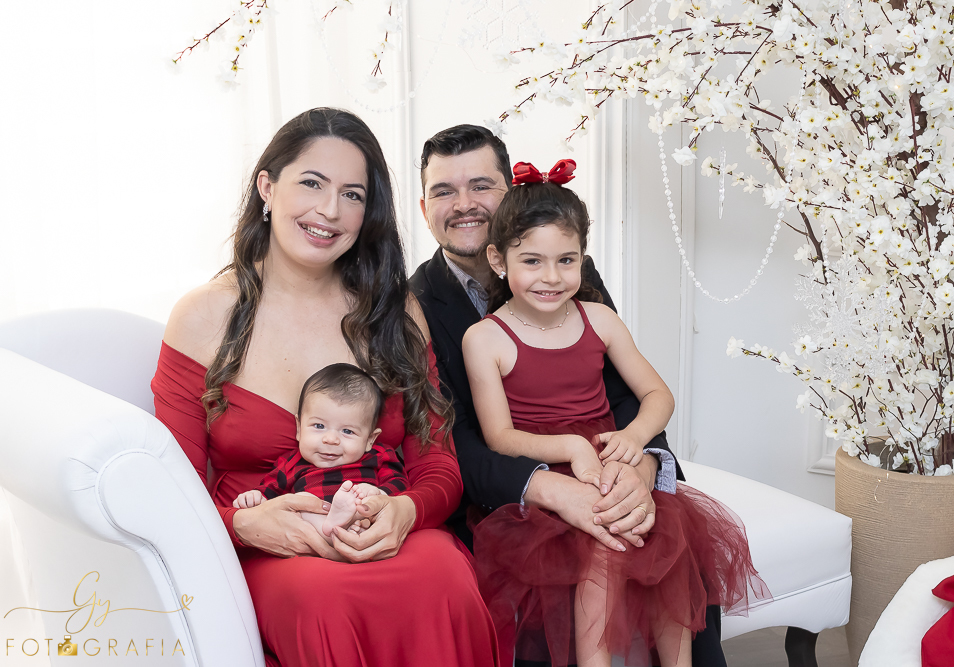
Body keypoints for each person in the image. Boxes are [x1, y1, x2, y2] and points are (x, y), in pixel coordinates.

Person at [151, 108, 500, 667]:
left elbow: (437, 464)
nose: (330, 211)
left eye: (354, 194)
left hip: (389, 532)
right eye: (312, 183)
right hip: (271, 549)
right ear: (267, 186)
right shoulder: (202, 316)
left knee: (446, 580)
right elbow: (170, 493)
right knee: (324, 602)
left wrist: (408, 511)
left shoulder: (393, 310)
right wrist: (244, 523)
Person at [408, 125, 730, 666]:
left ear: (509, 189)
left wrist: (642, 467)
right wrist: (552, 490)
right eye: (444, 191)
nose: (463, 204)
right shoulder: (416, 302)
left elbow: (622, 387)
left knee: (676, 555)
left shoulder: (568, 272)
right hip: (508, 494)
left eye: (481, 185)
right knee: (554, 589)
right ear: (424, 207)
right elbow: (451, 439)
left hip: (607, 460)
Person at [463, 161, 768, 667]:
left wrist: (634, 439)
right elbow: (499, 437)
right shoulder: (486, 338)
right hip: (549, 470)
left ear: (584, 256)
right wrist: (571, 447)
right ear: (499, 259)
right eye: (533, 261)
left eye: (567, 260)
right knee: (602, 547)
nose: (552, 277)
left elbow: (658, 395)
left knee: (663, 537)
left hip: (613, 462)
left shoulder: (598, 318)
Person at [233, 363, 409, 540]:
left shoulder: (378, 456)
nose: (331, 439)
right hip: (310, 530)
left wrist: (378, 494)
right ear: (299, 428)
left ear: (370, 439)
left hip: (362, 518)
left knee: (368, 505)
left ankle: (348, 523)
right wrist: (255, 497)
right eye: (319, 426)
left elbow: (400, 483)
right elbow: (268, 492)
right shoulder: (291, 462)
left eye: (347, 431)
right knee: (301, 503)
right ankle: (335, 528)